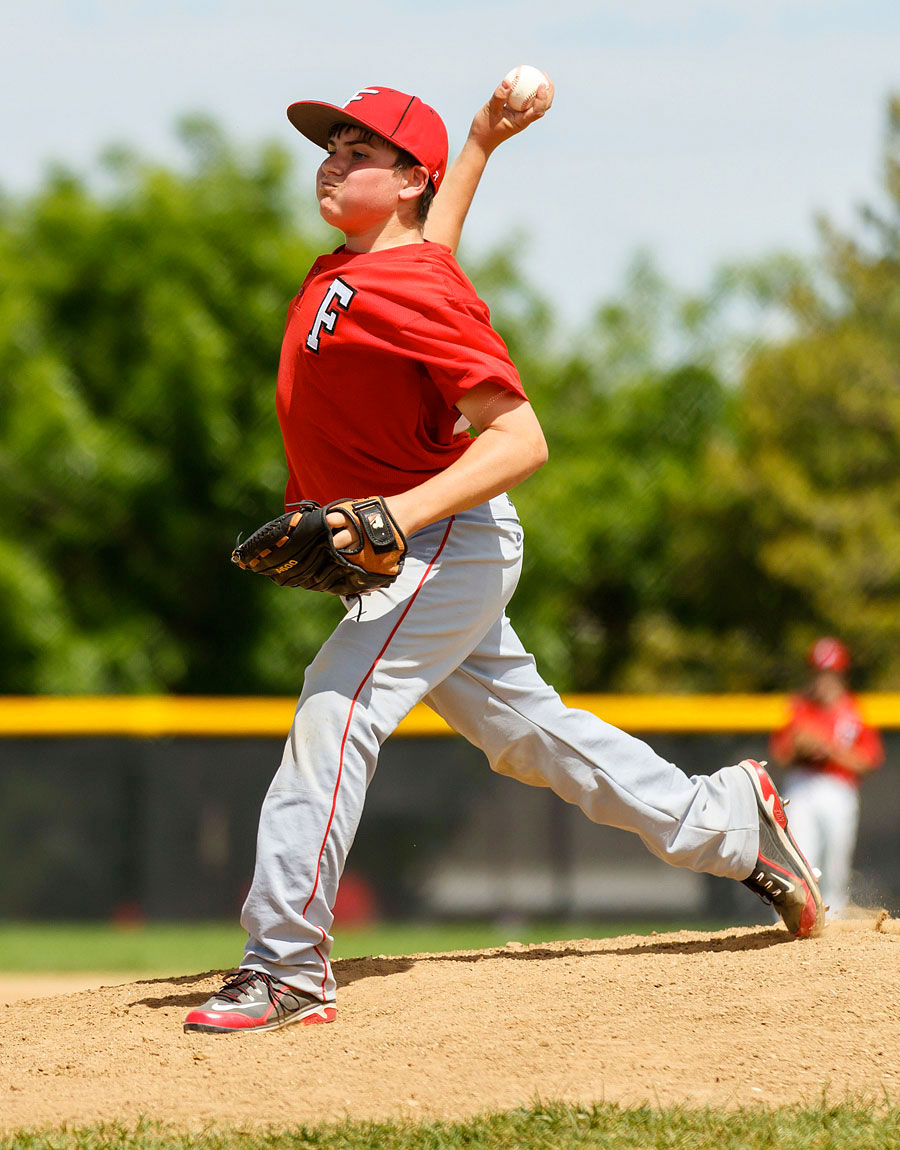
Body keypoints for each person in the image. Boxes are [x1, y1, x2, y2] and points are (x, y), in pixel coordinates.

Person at [183, 76, 824, 1035]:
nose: (332, 161)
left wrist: (395, 516)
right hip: (420, 541)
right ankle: (733, 821)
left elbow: (521, 438)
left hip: (442, 539)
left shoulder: (408, 282)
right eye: (331, 147)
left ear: (407, 179)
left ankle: (284, 967)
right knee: (529, 737)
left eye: (359, 152)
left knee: (335, 708)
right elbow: (427, 258)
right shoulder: (376, 267)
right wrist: (479, 142)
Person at [769, 637, 883, 918]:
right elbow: (780, 754)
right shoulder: (800, 706)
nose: (823, 679)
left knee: (835, 865)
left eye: (829, 673)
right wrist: (801, 746)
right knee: (798, 858)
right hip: (803, 785)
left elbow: (869, 760)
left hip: (838, 788)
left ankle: (832, 924)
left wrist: (828, 748)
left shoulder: (853, 710)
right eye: (819, 672)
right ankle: (788, 920)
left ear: (841, 674)